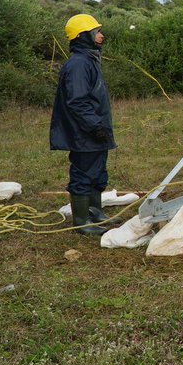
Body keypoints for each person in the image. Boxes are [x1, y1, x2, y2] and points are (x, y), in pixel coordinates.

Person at [50, 14, 117, 236]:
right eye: (96, 32)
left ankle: (94, 212)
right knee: (83, 175)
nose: (101, 35)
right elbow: (77, 102)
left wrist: (100, 128)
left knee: (98, 173)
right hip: (85, 133)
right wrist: (95, 126)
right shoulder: (78, 64)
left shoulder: (89, 60)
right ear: (83, 36)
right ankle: (81, 222)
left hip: (95, 132)